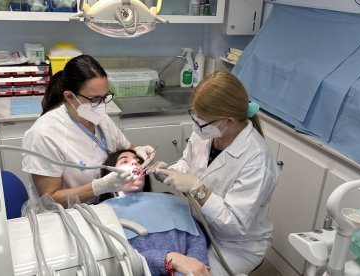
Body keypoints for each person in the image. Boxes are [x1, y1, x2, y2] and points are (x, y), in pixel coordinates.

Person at [156, 71, 280, 275]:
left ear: (229, 121)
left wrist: (197, 188)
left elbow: (233, 224)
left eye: (202, 121)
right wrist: (170, 172)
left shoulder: (257, 159)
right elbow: (188, 161)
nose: (196, 127)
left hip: (235, 245)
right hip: (198, 224)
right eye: (194, 116)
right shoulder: (208, 131)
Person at [22, 55, 155, 207]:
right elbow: (50, 200)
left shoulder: (100, 118)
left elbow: (124, 146)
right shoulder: (44, 134)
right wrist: (99, 187)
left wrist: (139, 149)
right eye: (94, 99)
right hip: (64, 217)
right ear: (70, 97)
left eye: (105, 97)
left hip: (103, 207)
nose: (102, 105)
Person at [101, 149, 210, 276]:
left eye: (138, 161)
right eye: (124, 161)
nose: (135, 163)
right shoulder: (102, 213)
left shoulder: (171, 200)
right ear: (108, 175)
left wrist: (192, 270)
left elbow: (197, 239)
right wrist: (168, 259)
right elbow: (114, 262)